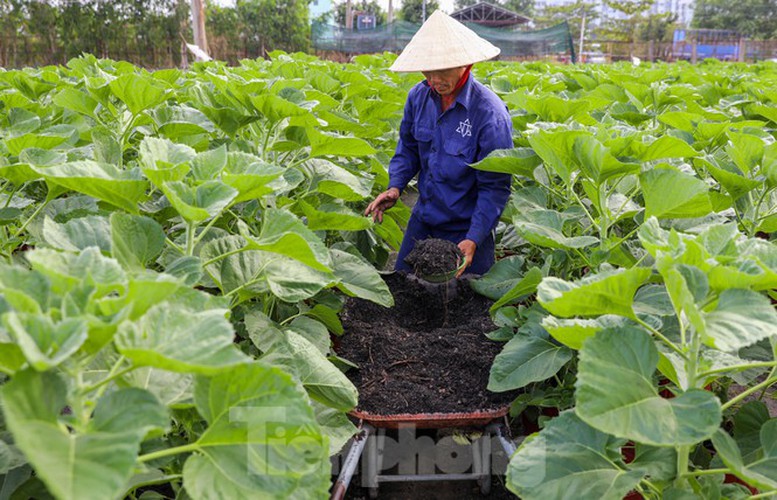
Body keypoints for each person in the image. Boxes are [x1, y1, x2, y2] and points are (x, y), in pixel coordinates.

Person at [365, 10, 513, 278]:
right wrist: (396, 186)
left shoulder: (489, 114)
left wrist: (474, 238)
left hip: (467, 227)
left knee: (468, 298)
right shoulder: (418, 97)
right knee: (404, 288)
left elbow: (495, 187)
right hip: (424, 218)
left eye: (442, 70)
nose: (434, 79)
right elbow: (408, 148)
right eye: (427, 70)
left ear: (465, 63)